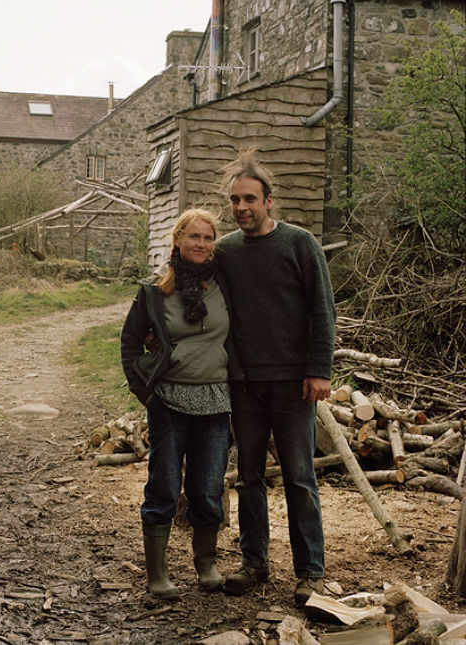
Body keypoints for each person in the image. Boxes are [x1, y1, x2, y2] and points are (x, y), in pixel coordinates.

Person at [213, 150, 336, 607]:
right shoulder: (225, 251)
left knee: (300, 478)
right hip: (244, 385)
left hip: (292, 385)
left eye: (249, 199)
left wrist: (318, 370)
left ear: (269, 201)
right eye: (234, 201)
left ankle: (310, 572)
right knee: (248, 477)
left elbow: (323, 310)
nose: (241, 208)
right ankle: (254, 563)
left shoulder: (300, 244)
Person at [120, 208, 242, 599]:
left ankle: (205, 564)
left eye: (208, 238)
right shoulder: (155, 289)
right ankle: (158, 574)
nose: (201, 245)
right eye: (194, 237)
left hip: (216, 400)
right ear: (177, 239)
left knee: (207, 488)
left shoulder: (225, 284)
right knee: (164, 487)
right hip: (169, 401)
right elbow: (129, 343)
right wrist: (148, 393)